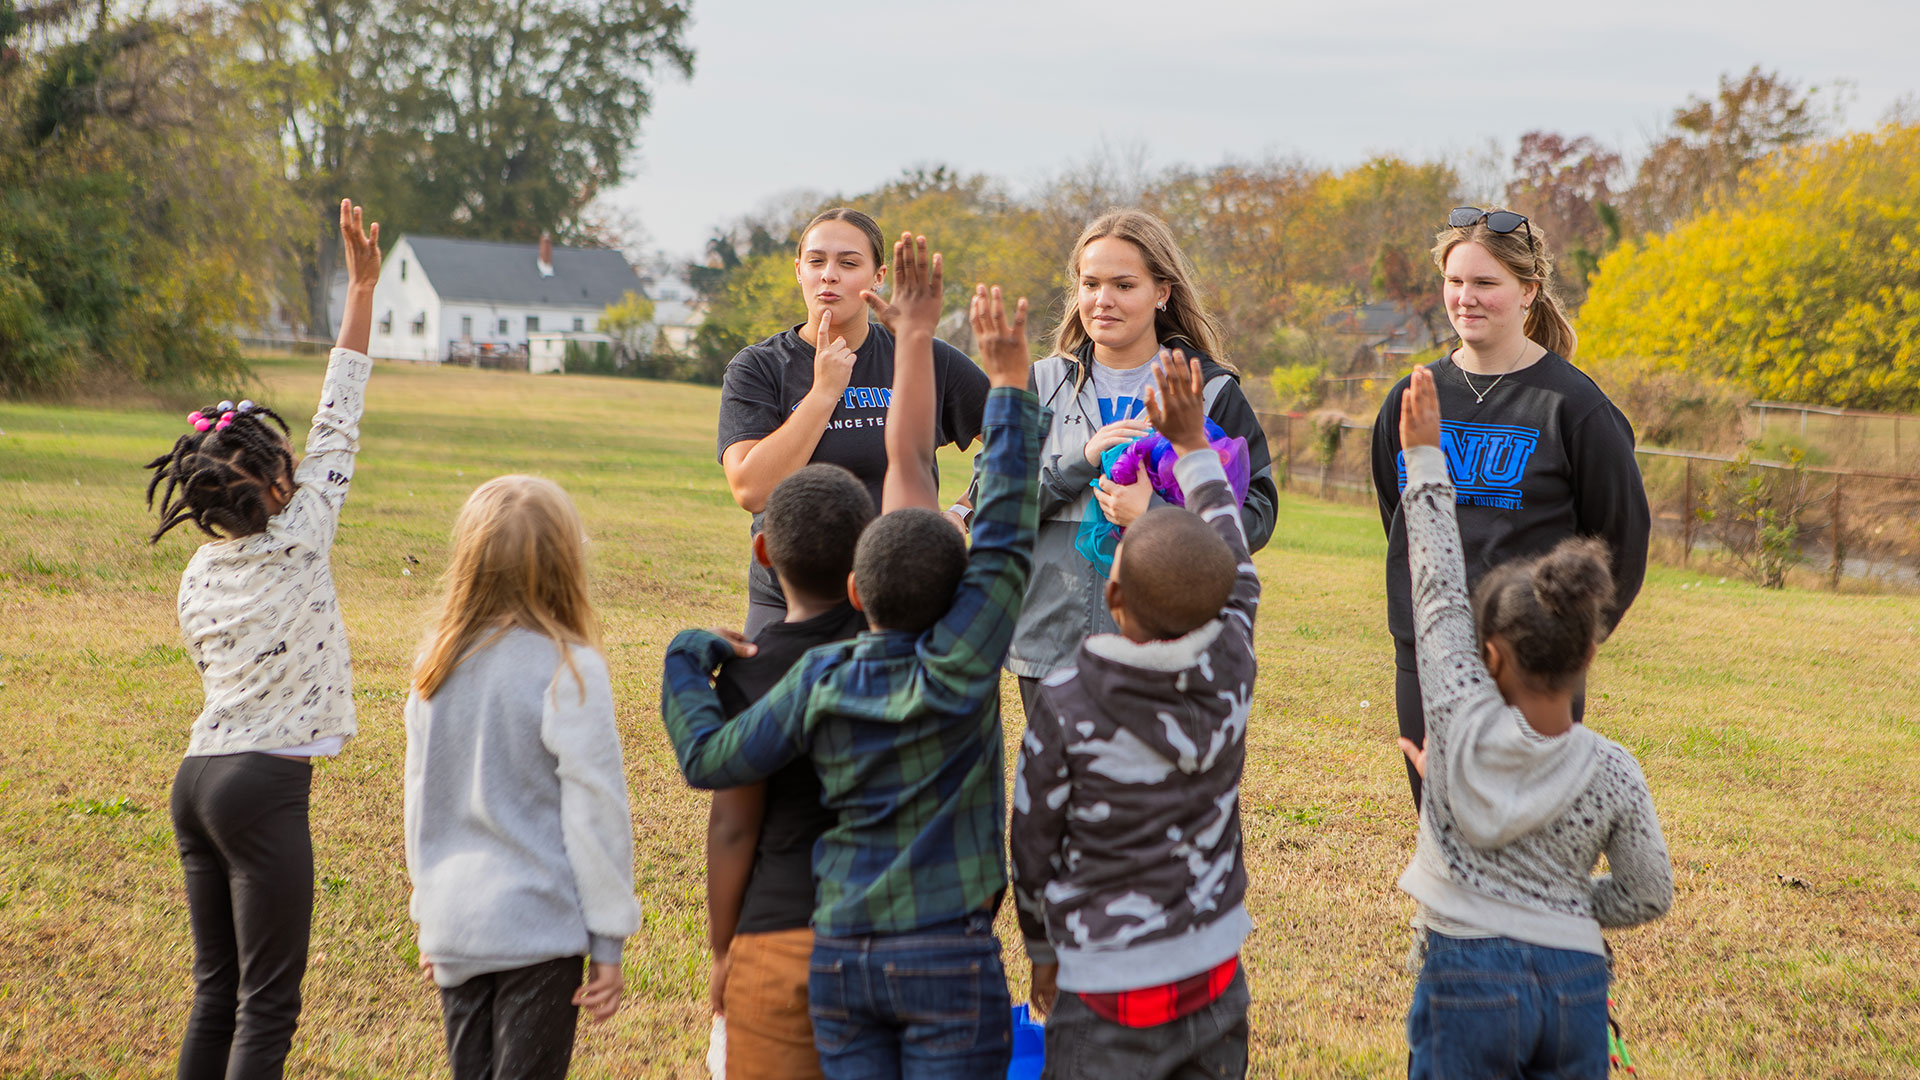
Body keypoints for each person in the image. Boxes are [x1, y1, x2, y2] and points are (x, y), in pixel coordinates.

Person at [660, 239, 1038, 1078]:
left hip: (843, 958)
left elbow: (710, 758)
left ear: (858, 592)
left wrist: (688, 658)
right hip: (948, 955)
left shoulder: (817, 679)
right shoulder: (968, 665)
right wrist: (1007, 380)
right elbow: (996, 510)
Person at [148, 199, 378, 1079]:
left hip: (197, 780)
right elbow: (340, 409)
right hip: (261, 785)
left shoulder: (199, 572)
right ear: (280, 483)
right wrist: (359, 288)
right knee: (268, 1005)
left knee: (217, 992)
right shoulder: (302, 530)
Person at [1393, 365, 1672, 1079]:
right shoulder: (1614, 770)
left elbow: (1437, 588)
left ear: (1487, 656)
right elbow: (1646, 894)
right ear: (1588, 650)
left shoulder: (1452, 719)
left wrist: (1425, 459)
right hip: (1576, 984)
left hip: (1463, 978)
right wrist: (1559, 899)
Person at [1011, 352, 1260, 1079]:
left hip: (1102, 994)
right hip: (1215, 981)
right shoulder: (1232, 662)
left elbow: (1033, 845)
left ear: (1112, 604)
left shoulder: (1066, 702)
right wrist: (1190, 447)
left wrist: (1041, 954)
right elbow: (1231, 549)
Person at [1372, 207, 1650, 808]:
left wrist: (1573, 643)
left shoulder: (1573, 407)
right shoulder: (1412, 396)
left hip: (1533, 658)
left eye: (1485, 283)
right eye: (1455, 281)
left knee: (1526, 830)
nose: (1465, 298)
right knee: (1442, 825)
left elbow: (1621, 538)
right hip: (1426, 652)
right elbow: (1399, 512)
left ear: (1528, 291)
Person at [403, 474, 640, 1080]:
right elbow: (597, 811)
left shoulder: (435, 665)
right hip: (538, 930)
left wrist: (430, 915)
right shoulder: (571, 669)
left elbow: (419, 802)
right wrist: (608, 941)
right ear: (565, 562)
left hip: (455, 921)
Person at [1005, 209, 1277, 716]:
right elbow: (995, 503)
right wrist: (1078, 463)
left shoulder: (1210, 389)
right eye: (1090, 283)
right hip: (1052, 646)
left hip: (1173, 648)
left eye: (1124, 285)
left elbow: (1256, 518)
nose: (1102, 300)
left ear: (1162, 292)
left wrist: (1156, 516)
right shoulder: (1038, 383)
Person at [716, 208, 991, 637]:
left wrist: (963, 512)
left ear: (878, 275)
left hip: (901, 592)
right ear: (798, 271)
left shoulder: (922, 355)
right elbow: (751, 489)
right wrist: (824, 391)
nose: (829, 275)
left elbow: (1018, 440)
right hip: (790, 601)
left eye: (848, 263)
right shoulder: (759, 367)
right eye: (816, 261)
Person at [705, 463, 874, 1079]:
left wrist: (725, 950)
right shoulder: (896, 657)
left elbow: (733, 828)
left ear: (763, 553)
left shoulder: (748, 672)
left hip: (781, 938)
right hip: (890, 934)